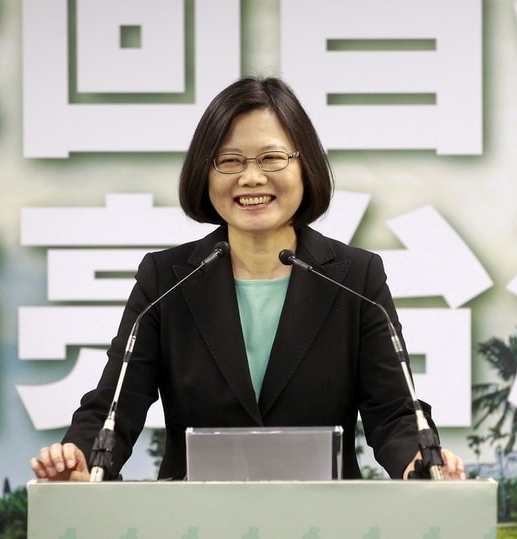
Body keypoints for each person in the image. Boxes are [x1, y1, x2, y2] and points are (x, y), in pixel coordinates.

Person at [29, 76, 465, 482]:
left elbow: (394, 412)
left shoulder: (354, 278)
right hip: (193, 521)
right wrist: (81, 456)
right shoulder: (166, 280)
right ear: (205, 172)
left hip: (327, 518)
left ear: (305, 165)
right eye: (229, 160)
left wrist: (418, 462)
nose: (251, 177)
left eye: (272, 158)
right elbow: (115, 406)